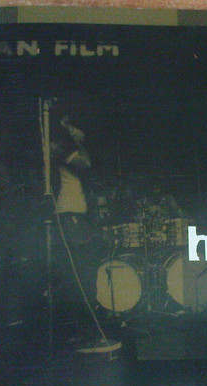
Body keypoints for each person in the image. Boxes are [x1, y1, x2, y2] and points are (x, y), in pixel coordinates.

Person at [51, 113, 121, 355]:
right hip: (69, 219)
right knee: (83, 279)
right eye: (70, 125)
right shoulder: (57, 145)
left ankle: (80, 335)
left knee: (82, 278)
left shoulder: (59, 146)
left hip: (75, 220)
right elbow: (85, 163)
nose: (78, 131)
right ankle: (87, 337)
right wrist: (76, 140)